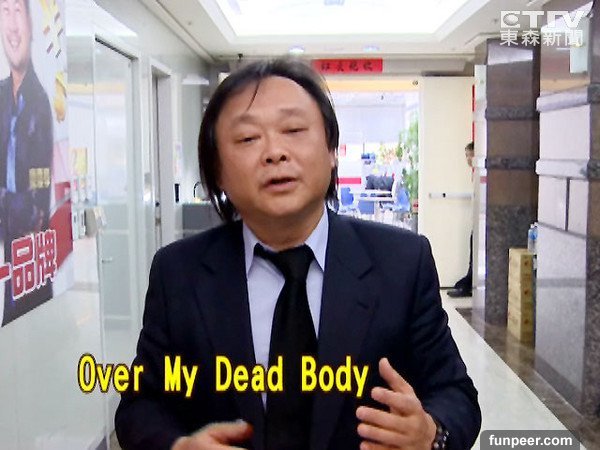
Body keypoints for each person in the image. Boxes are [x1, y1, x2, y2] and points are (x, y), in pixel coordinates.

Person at [115, 58, 481, 450]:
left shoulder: (402, 262)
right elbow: (139, 405)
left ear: (331, 150)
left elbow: (455, 394)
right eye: (247, 138)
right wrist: (177, 445)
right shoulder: (178, 273)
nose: (274, 152)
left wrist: (431, 434)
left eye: (293, 130)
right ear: (217, 171)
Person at [0, 0, 53, 324]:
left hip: (28, 262)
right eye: (4, 12)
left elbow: (35, 208)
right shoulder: (0, 95)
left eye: (17, 11)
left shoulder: (40, 103)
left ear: (31, 24)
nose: (12, 25)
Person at [447, 142, 474, 298]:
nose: (468, 159)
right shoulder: (475, 174)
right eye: (466, 155)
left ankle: (468, 284)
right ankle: (467, 283)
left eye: (470, 155)